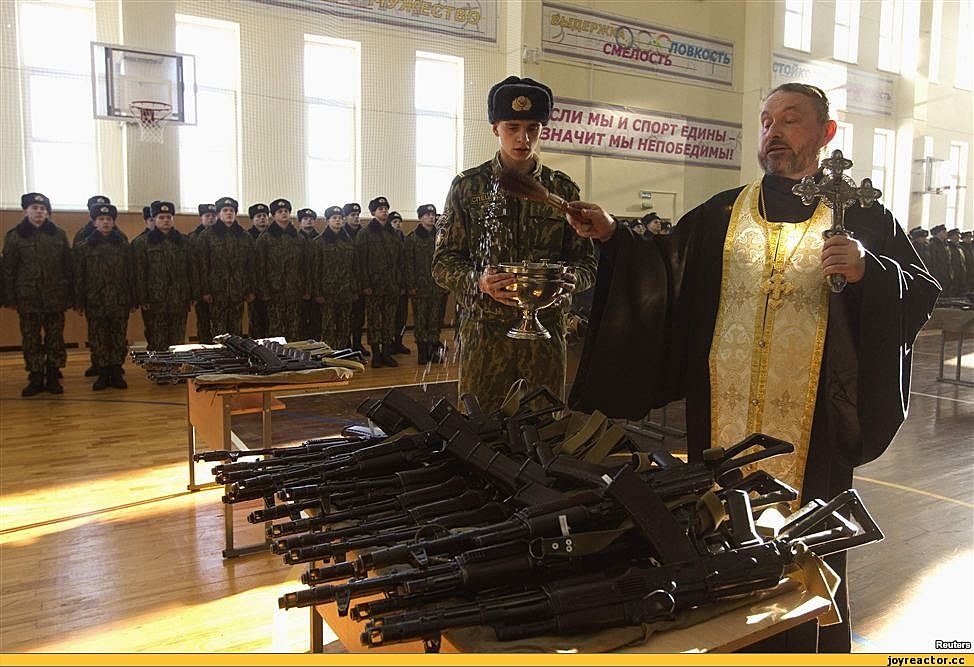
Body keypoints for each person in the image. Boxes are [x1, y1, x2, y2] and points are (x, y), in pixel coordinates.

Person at [564, 83, 940, 653]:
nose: (774, 132)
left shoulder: (860, 215)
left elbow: (919, 292)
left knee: (810, 546)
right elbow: (663, 270)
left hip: (815, 426)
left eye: (790, 119)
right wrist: (615, 235)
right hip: (722, 420)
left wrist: (871, 273)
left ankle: (808, 646)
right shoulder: (722, 212)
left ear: (826, 133)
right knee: (714, 530)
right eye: (766, 120)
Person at [431, 75, 598, 413]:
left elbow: (587, 263)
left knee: (545, 425)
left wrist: (571, 280)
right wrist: (478, 281)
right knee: (479, 427)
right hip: (486, 334)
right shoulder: (468, 187)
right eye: (512, 127)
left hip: (546, 334)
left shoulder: (561, 190)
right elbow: (443, 263)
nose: (523, 138)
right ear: (495, 128)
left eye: (532, 128)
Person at [3, 193, 73, 396]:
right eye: (35, 208)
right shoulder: (15, 236)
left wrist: (69, 295)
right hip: (27, 297)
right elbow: (8, 269)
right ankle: (35, 376)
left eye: (43, 209)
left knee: (55, 338)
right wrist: (10, 297)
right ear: (26, 211)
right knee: (30, 339)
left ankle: (52, 375)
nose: (39, 212)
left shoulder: (58, 234)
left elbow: (68, 267)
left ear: (48, 213)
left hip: (54, 296)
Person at [73, 203, 132, 390]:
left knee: (118, 337)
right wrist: (79, 301)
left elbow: (131, 275)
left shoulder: (124, 246)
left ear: (113, 222)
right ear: (94, 222)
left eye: (109, 219)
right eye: (101, 219)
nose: (105, 222)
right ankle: (103, 372)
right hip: (95, 301)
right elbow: (79, 277)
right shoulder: (84, 247)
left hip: (119, 300)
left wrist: (132, 298)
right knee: (98, 338)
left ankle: (116, 371)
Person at [133, 200, 194, 351]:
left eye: (169, 217)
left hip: (179, 298)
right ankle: (158, 364)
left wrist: (192, 294)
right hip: (155, 300)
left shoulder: (184, 241)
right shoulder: (142, 242)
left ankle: (176, 364)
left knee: (177, 341)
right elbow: (139, 272)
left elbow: (191, 269)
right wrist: (142, 297)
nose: (166, 220)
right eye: (161, 217)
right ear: (154, 219)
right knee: (157, 339)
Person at [355, 196, 404, 368]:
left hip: (391, 284)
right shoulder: (365, 233)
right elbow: (361, 262)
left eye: (386, 208)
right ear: (373, 212)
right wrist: (365, 284)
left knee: (389, 320)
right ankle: (376, 354)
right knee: (374, 321)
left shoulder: (394, 234)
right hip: (373, 286)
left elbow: (400, 260)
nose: (384, 211)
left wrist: (399, 282)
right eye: (380, 209)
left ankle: (386, 353)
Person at [199, 196, 256, 337]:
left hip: (238, 290)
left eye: (231, 210)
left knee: (236, 332)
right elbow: (202, 265)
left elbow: (251, 266)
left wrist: (251, 289)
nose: (229, 213)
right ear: (219, 214)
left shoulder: (245, 236)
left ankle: (235, 352)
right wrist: (205, 290)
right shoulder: (207, 236)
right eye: (225, 210)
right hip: (217, 292)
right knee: (219, 332)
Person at [255, 198, 308, 341]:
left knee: (295, 327)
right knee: (276, 328)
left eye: (286, 211)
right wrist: (264, 290)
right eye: (279, 211)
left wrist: (306, 288)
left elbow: (305, 266)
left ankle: (293, 354)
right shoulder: (265, 238)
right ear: (273, 215)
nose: (284, 213)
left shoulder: (299, 238)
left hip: (295, 289)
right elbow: (260, 266)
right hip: (274, 290)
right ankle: (276, 355)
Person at [406, 204, 448, 364]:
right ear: (420, 218)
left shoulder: (441, 237)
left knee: (435, 320)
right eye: (427, 214)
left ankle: (432, 350)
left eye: (433, 214)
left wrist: (446, 282)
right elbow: (408, 264)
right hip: (420, 287)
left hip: (437, 286)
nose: (431, 217)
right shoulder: (412, 238)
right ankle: (422, 352)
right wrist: (411, 285)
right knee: (421, 320)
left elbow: (446, 260)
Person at [312, 206, 358, 351]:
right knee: (328, 326)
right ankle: (328, 356)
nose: (338, 220)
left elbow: (355, 267)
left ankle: (342, 354)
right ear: (327, 221)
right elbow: (315, 269)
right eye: (334, 218)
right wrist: (317, 292)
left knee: (345, 325)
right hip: (327, 292)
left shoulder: (349, 241)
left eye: (340, 218)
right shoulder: (319, 242)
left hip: (346, 291)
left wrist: (354, 288)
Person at [342, 202, 369, 357]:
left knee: (359, 317)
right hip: (345, 283)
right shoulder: (341, 233)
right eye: (352, 215)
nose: (356, 218)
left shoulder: (364, 233)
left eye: (358, 215)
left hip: (360, 282)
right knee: (346, 317)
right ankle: (346, 344)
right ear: (345, 217)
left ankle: (358, 344)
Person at [189, 204, 218, 343]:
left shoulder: (220, 236)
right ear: (201, 218)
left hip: (218, 288)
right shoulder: (193, 237)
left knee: (218, 325)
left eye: (213, 216)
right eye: (207, 216)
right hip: (200, 289)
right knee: (203, 323)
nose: (211, 218)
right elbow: (194, 266)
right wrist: (199, 291)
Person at [297, 208, 322, 340]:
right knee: (300, 320)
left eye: (311, 219)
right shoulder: (295, 238)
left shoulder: (321, 239)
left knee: (316, 320)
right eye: (305, 219)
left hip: (318, 285)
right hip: (299, 285)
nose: (309, 221)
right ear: (300, 221)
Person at [246, 203, 271, 337]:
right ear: (252, 219)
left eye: (264, 216)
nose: (262, 218)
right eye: (258, 216)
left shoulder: (273, 235)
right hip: (254, 286)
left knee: (271, 323)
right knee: (256, 322)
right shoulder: (247, 236)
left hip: (272, 286)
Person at [388, 211, 411, 355]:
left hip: (404, 284)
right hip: (391, 284)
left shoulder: (406, 240)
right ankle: (389, 342)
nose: (398, 224)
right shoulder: (387, 240)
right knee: (390, 316)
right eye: (394, 222)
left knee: (402, 317)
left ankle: (399, 341)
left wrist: (405, 284)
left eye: (399, 222)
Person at [946, 228, 967, 297]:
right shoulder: (948, 247)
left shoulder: (959, 248)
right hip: (953, 274)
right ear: (951, 237)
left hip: (961, 274)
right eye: (956, 235)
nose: (958, 237)